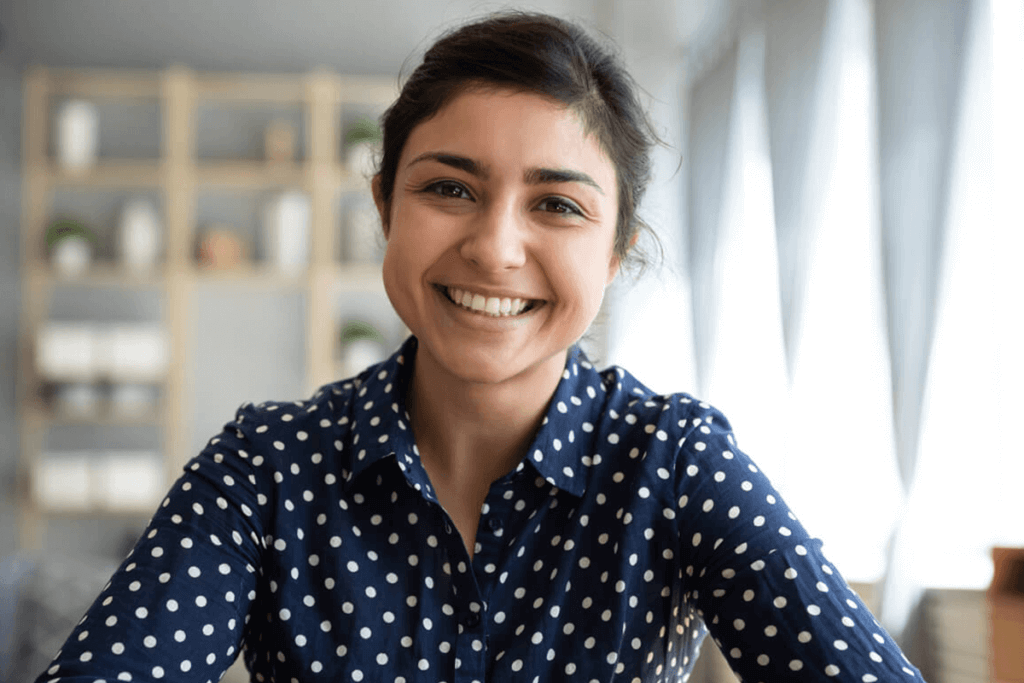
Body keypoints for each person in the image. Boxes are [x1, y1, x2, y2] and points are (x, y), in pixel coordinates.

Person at [35, 10, 927, 683]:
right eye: (450, 188)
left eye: (558, 204)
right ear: (386, 206)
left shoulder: (676, 463)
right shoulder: (267, 467)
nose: (496, 247)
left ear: (615, 254)